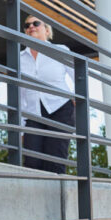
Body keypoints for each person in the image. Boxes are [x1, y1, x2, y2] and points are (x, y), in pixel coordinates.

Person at [20, 15, 74, 174]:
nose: (31, 26)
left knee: (55, 160)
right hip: (33, 114)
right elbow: (19, 94)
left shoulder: (60, 50)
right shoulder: (20, 59)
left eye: (36, 23)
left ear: (47, 29)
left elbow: (79, 76)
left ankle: (57, 198)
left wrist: (78, 99)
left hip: (60, 109)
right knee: (32, 162)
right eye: (27, 25)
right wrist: (22, 127)